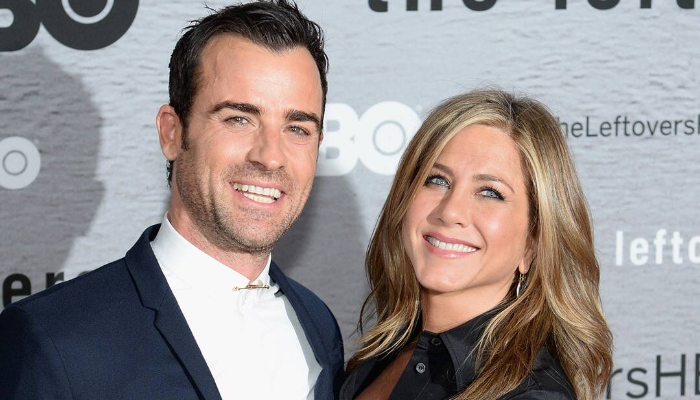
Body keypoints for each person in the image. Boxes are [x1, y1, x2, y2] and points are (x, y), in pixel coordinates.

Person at [0, 1, 344, 399]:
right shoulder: (53, 338)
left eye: (297, 128)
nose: (270, 156)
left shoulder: (318, 326)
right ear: (172, 133)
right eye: (239, 118)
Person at [341, 89, 613, 400]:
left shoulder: (532, 395)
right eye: (437, 180)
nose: (450, 211)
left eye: (490, 193)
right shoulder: (380, 357)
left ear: (533, 241)